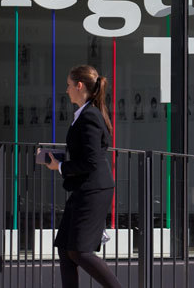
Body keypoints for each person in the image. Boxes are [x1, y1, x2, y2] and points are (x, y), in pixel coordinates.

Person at [43, 65, 121, 288]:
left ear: (79, 86)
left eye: (69, 85)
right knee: (66, 248)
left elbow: (91, 161)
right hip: (84, 188)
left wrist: (60, 166)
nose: (66, 91)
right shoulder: (85, 114)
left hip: (93, 190)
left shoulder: (90, 116)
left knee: (79, 251)